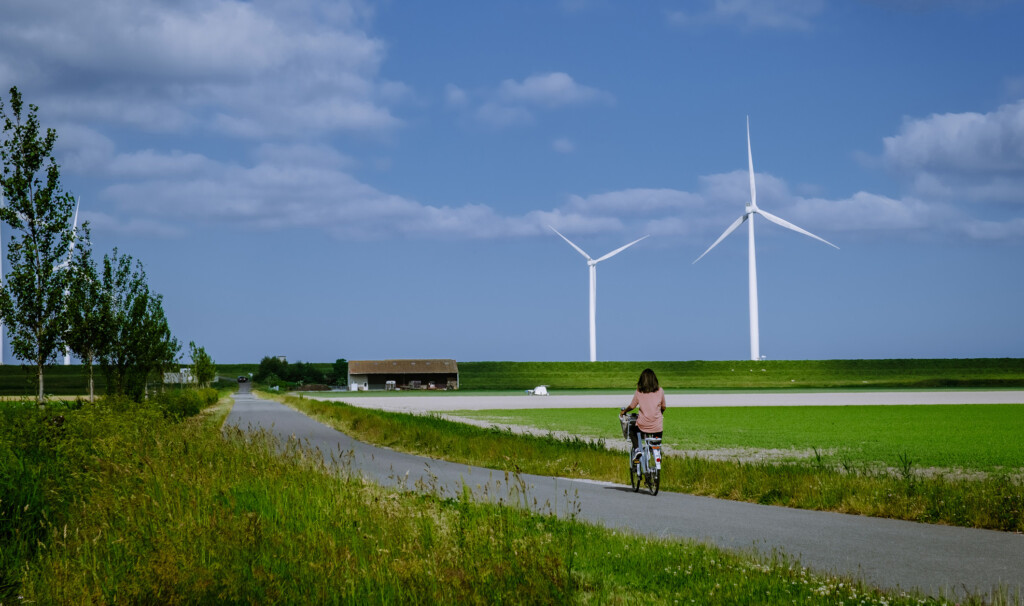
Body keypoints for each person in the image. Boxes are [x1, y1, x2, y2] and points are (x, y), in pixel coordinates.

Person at [620, 368, 666, 464]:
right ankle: (656, 453)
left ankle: (637, 450)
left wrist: (625, 411)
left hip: (643, 426)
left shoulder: (639, 392)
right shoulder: (660, 391)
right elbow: (664, 407)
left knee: (632, 430)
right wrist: (660, 413)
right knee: (656, 442)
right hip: (657, 427)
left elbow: (632, 406)